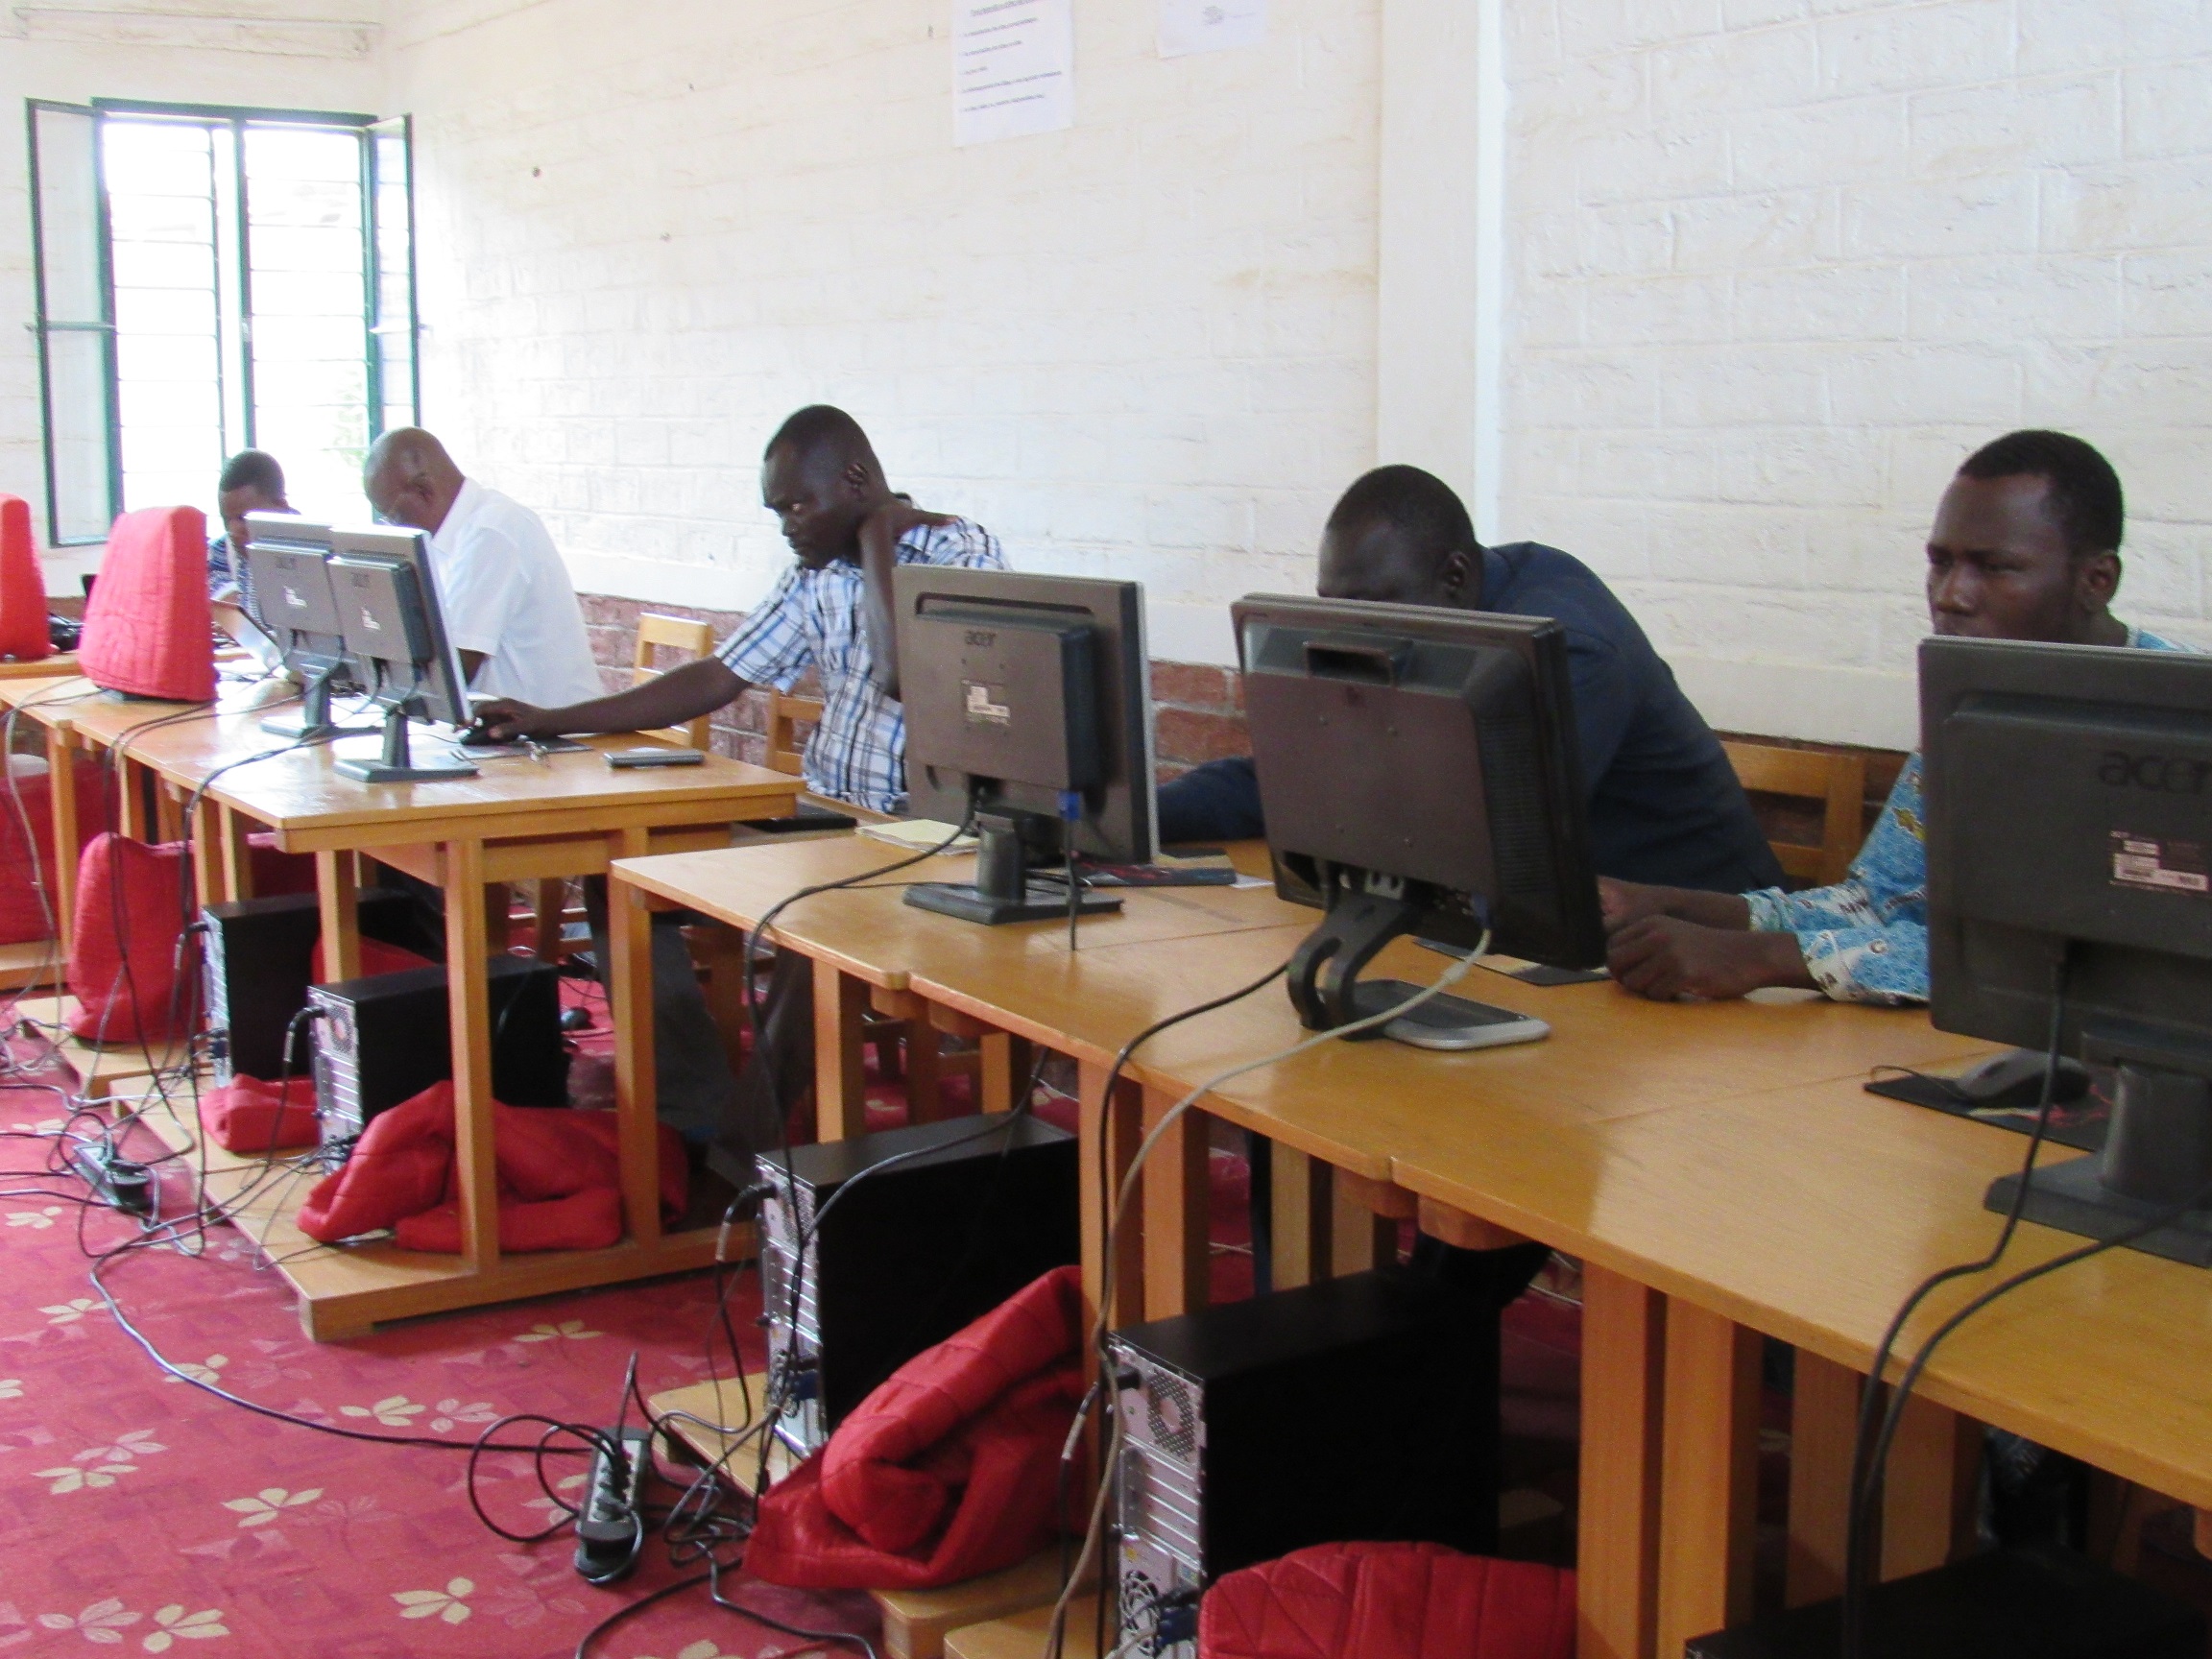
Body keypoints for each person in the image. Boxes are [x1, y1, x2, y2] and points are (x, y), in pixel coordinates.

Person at [474, 406, 1009, 1166]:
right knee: (623, 869)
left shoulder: (962, 549)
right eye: (777, 511)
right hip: (818, 815)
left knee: (809, 927)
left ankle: (736, 1153)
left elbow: (906, 676)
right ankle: (691, 1110)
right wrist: (556, 719)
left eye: (797, 505)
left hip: (914, 835)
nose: (787, 526)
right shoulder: (814, 572)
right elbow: (721, 674)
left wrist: (878, 539)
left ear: (857, 480)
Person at [1604, 429, 2191, 1006]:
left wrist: (1766, 958)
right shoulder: (1975, 701)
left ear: (2096, 581)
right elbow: (1879, 902)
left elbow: (2087, 968)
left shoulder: (2180, 731)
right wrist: (1677, 905)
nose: (1951, 595)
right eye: (1941, 562)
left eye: (1995, 567)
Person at [1158, 466, 1783, 895]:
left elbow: (1489, 836)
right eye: (1331, 603)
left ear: (1455, 576)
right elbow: (1303, 770)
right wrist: (1140, 822)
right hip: (1561, 939)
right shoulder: (1416, 618)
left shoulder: (1567, 647)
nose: (1351, 626)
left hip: (1698, 944)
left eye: (1372, 604)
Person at [362, 429, 604, 710]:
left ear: (424, 492)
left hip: (561, 739)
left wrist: (373, 670)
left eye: (393, 516)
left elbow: (453, 670)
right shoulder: (451, 537)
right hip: (512, 734)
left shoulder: (493, 530)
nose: (393, 528)